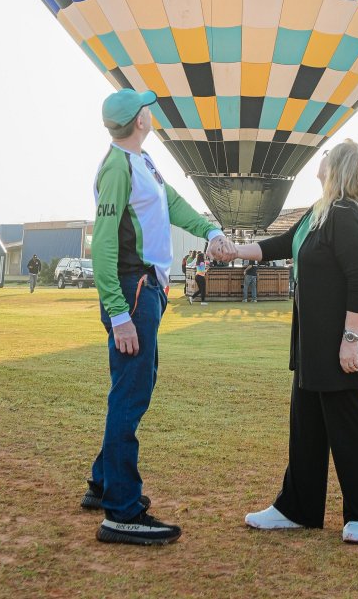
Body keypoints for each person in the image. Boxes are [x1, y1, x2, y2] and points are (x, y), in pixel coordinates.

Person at [83, 87, 235, 545]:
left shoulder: (142, 162)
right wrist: (117, 312)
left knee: (136, 384)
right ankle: (121, 512)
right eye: (146, 109)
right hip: (132, 291)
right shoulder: (117, 168)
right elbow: (105, 244)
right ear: (140, 121)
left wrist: (210, 229)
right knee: (131, 392)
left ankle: (103, 485)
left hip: (148, 289)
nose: (152, 112)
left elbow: (171, 204)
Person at [219, 140, 358, 544]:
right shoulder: (319, 212)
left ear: (340, 166)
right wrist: (233, 251)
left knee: (351, 430)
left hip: (338, 347)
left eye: (328, 152)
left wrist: (350, 341)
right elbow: (278, 245)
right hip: (312, 347)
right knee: (306, 429)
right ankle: (297, 508)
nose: (321, 157)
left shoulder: (346, 215)